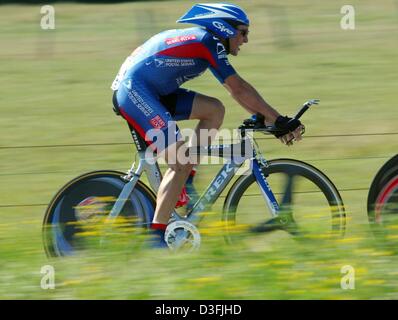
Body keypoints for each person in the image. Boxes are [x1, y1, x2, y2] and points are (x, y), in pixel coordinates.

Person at [111, 3, 304, 248]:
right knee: (180, 161)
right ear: (224, 28)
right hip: (135, 92)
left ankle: (186, 180)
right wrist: (276, 119)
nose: (245, 40)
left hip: (151, 90)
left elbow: (238, 92)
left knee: (214, 110)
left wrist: (267, 117)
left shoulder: (206, 42)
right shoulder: (208, 42)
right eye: (243, 32)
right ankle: (157, 239)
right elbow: (238, 89)